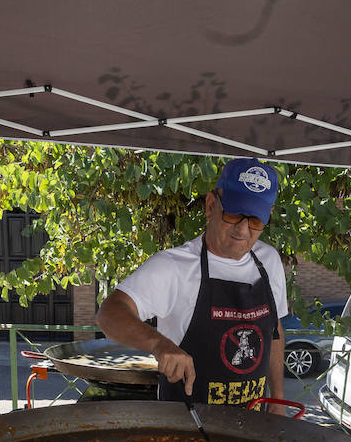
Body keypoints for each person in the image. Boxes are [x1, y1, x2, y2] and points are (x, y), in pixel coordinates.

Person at [95, 158, 290, 410]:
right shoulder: (173, 266)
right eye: (233, 213)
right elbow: (109, 314)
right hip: (186, 427)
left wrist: (278, 398)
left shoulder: (269, 261)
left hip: (251, 427)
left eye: (255, 221)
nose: (243, 230)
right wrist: (159, 344)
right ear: (211, 205)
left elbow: (273, 331)